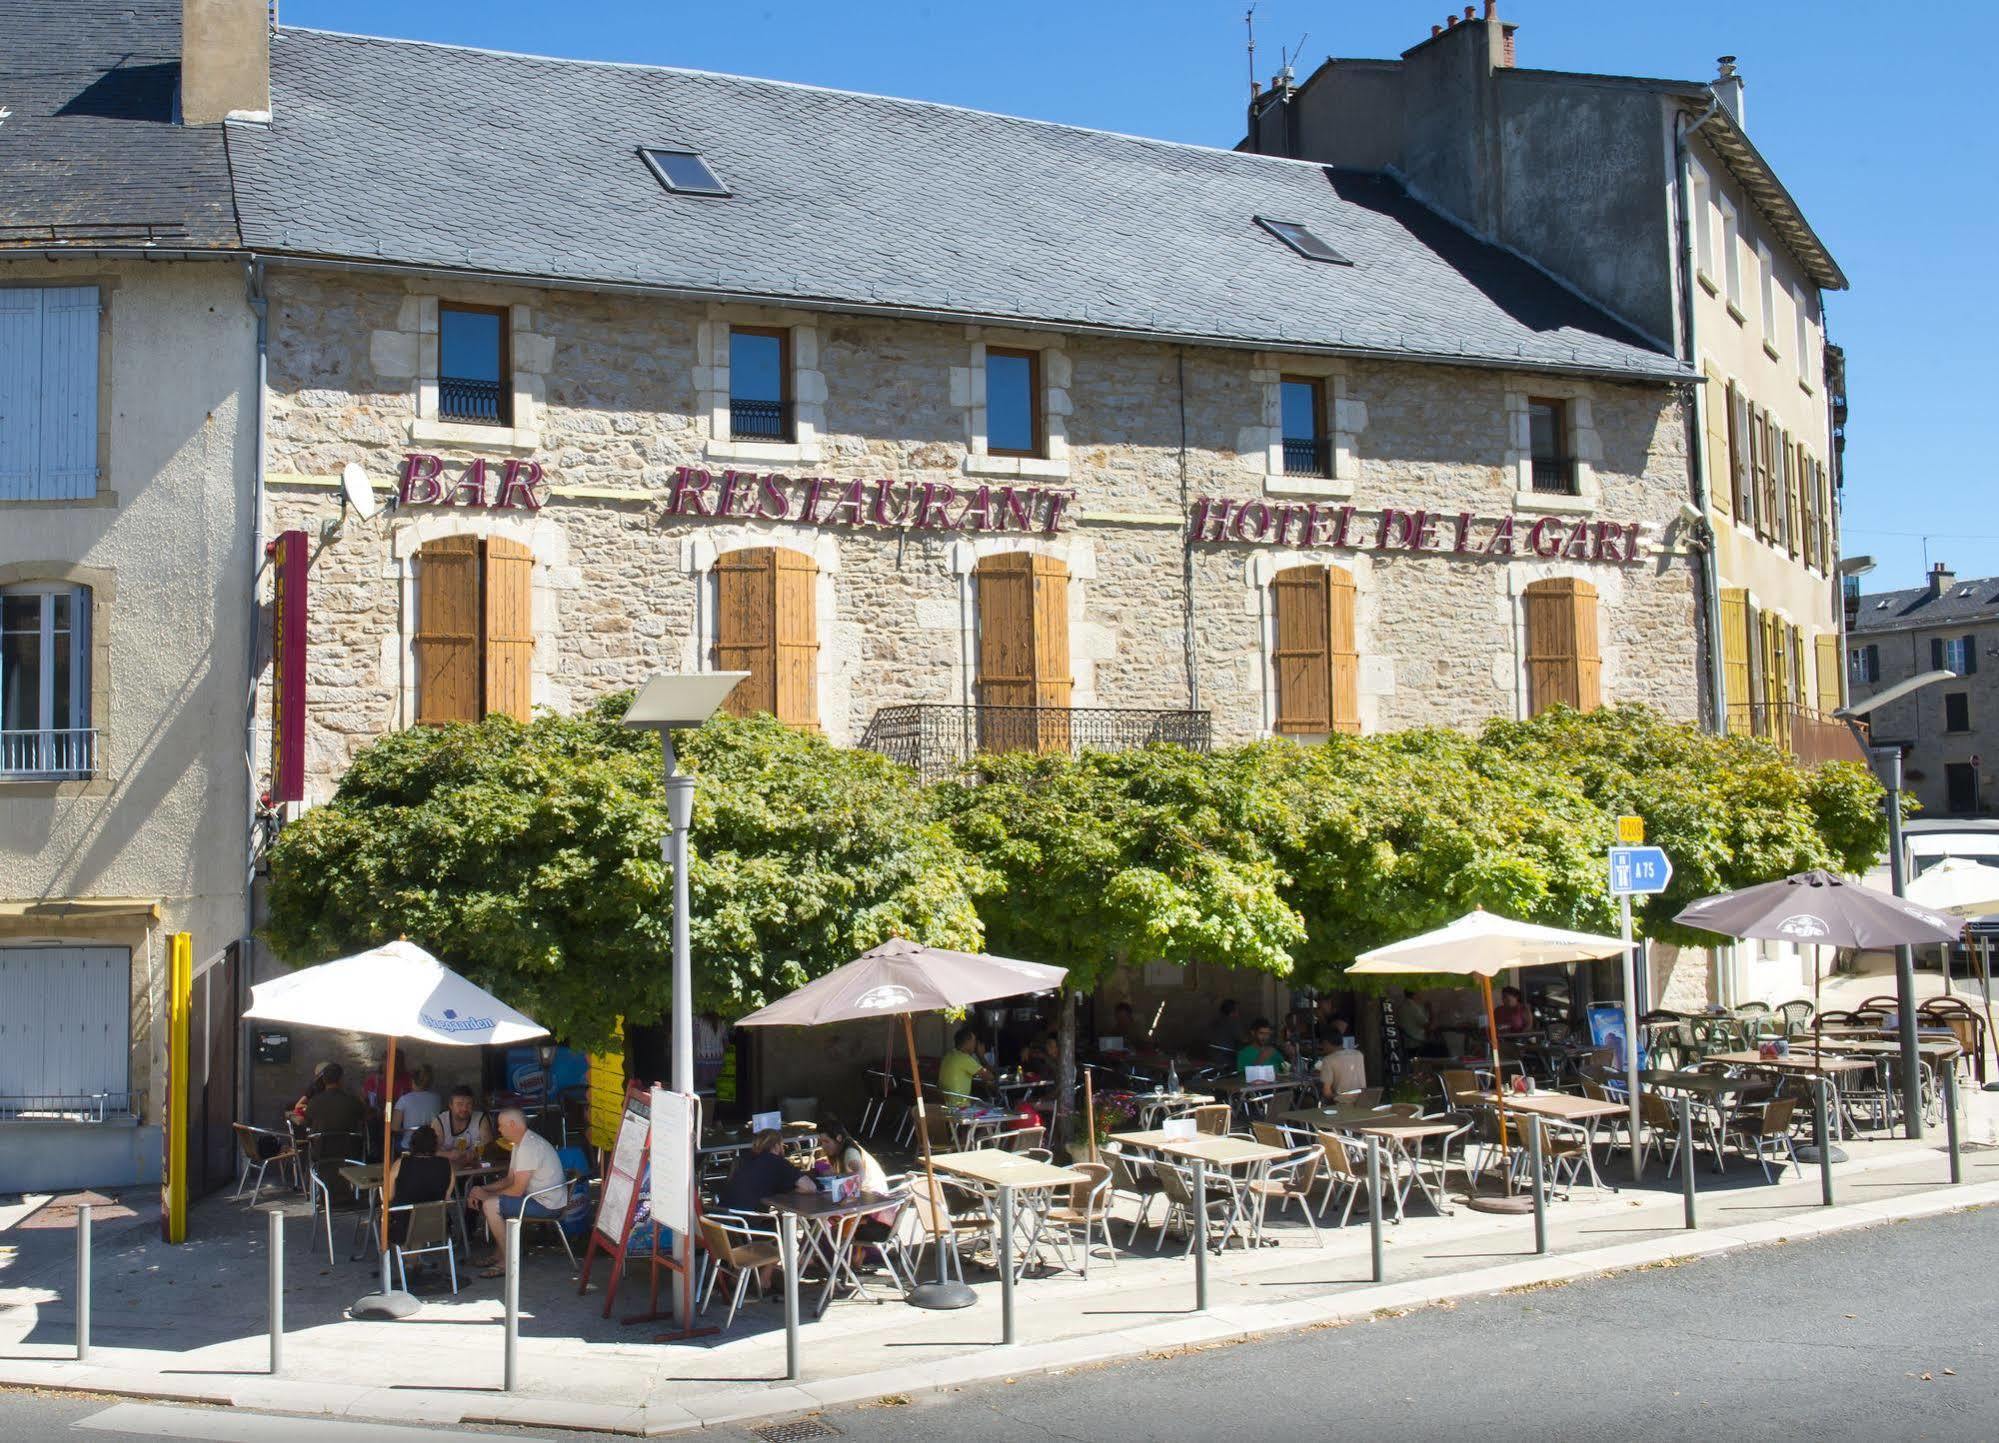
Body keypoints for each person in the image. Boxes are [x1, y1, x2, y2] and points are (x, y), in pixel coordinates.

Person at [469, 1109, 569, 1275]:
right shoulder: (521, 1143)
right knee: (492, 1202)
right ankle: (499, 1254)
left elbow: (516, 1190)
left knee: (490, 1205)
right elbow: (509, 1180)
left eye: (501, 1126)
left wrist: (486, 1196)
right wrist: (482, 1189)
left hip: (547, 1205)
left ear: (512, 1124)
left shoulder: (528, 1147)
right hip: (539, 1199)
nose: (499, 1130)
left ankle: (507, 1262)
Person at [385, 1126, 455, 1250]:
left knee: (390, 1215)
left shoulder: (400, 1164)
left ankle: (409, 1260)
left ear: (412, 1144)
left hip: (404, 1226)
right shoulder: (446, 1164)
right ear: (435, 1145)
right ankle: (413, 1260)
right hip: (436, 1224)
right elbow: (447, 1197)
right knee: (420, 1213)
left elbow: (389, 1196)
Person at [717, 1129, 815, 1214]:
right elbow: (810, 1187)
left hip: (721, 1220)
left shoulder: (743, 1161)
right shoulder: (778, 1162)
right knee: (782, 1220)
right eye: (782, 1146)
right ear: (777, 1146)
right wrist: (792, 1192)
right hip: (746, 1225)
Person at [300, 1062, 368, 1147]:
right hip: (349, 1153)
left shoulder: (314, 1102)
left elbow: (307, 1123)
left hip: (321, 1153)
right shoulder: (353, 1101)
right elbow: (364, 1118)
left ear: (324, 1080)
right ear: (341, 1080)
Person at [432, 1086, 494, 1170]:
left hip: (475, 1169)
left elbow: (489, 1145)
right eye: (459, 1104)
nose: (464, 1108)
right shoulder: (440, 1121)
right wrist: (449, 1154)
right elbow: (431, 1150)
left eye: (469, 1104)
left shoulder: (481, 1118)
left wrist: (474, 1153)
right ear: (450, 1105)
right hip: (446, 1170)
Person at [937, 1026, 990, 1105]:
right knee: (988, 1103)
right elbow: (989, 1076)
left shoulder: (949, 1055)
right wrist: (981, 1056)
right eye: (974, 1041)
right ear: (968, 1042)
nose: (975, 1045)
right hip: (958, 1105)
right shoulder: (964, 1058)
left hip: (946, 1102)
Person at [393, 1065, 442, 1138]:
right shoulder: (437, 1099)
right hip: (431, 1143)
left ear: (412, 1081)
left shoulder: (404, 1100)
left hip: (409, 1145)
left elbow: (395, 1127)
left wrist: (409, 1131)